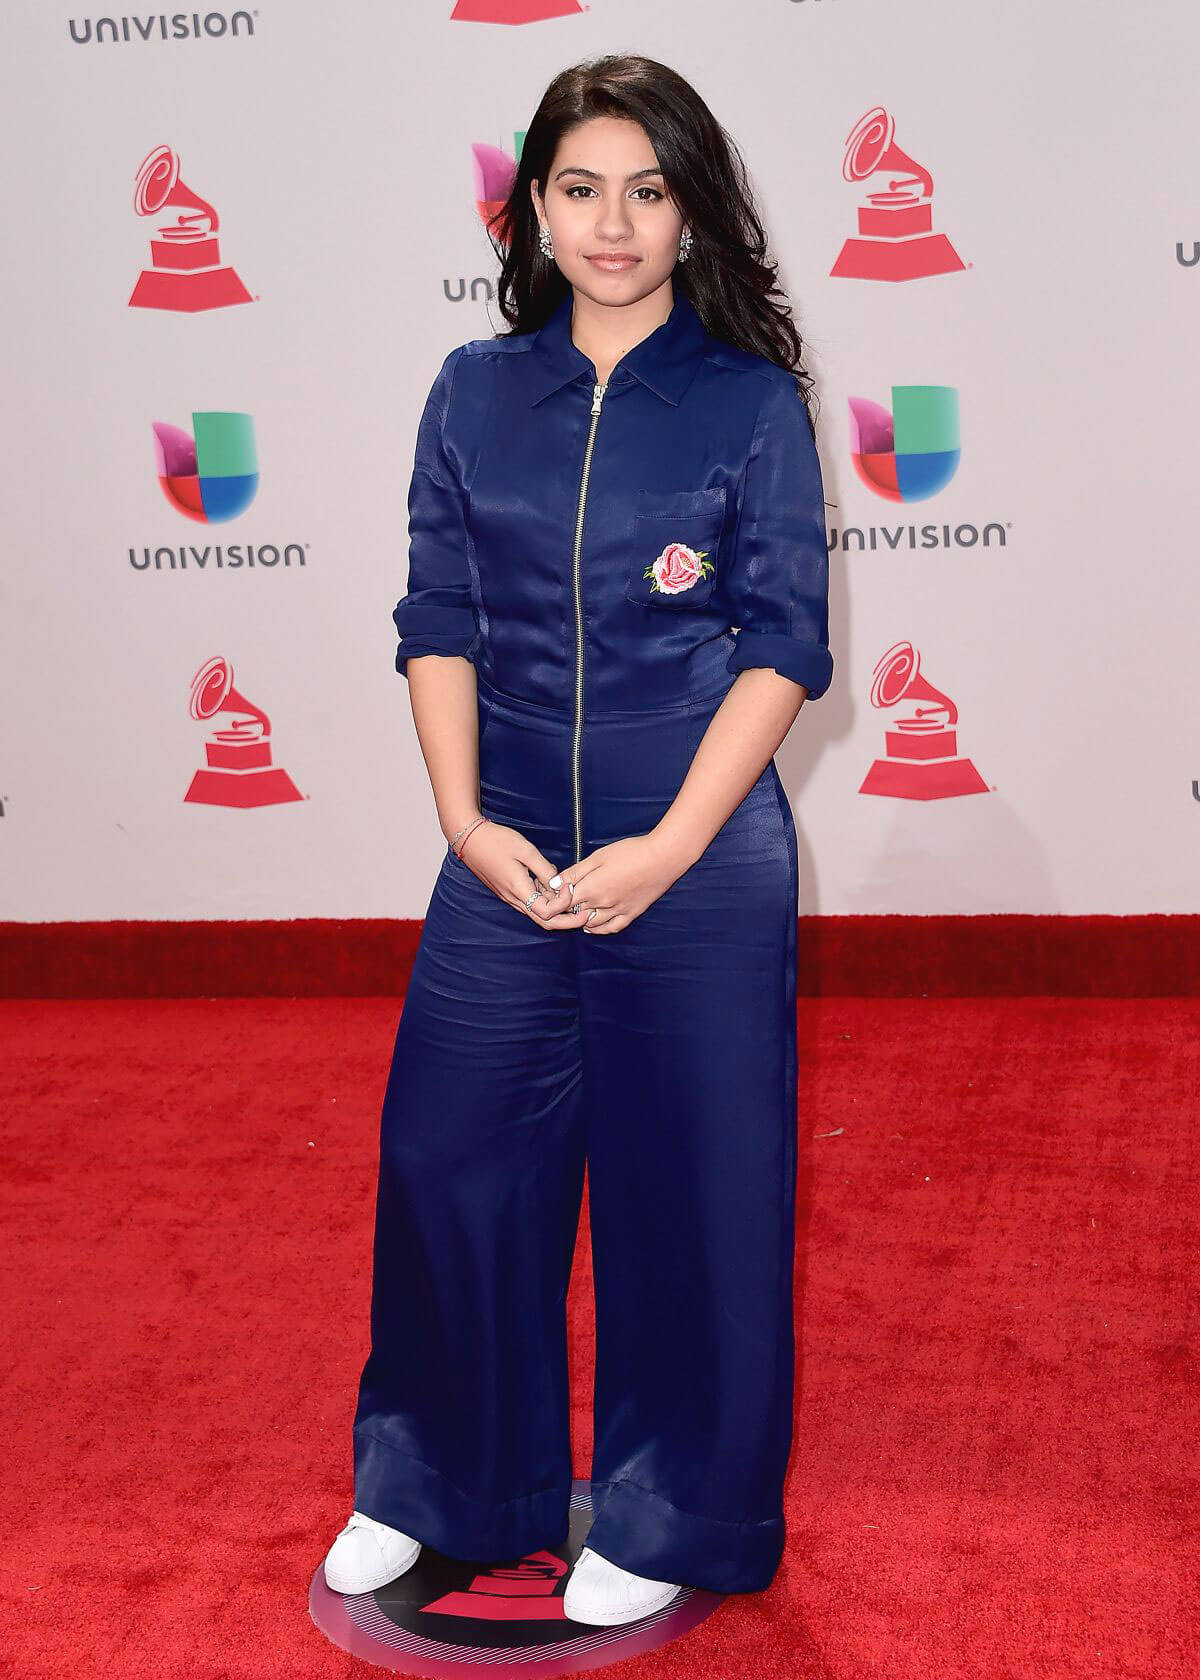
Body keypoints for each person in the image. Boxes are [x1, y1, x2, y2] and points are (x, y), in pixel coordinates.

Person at [323, 52, 834, 1626]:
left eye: (649, 189)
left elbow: (784, 646)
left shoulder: (750, 404)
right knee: (451, 1161)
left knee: (696, 1190)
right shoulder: (476, 393)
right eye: (579, 187)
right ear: (533, 207)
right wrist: (465, 824)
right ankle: (439, 1485)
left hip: (699, 854)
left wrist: (672, 846)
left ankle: (670, 1508)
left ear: (693, 211)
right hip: (508, 854)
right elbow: (437, 618)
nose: (613, 224)